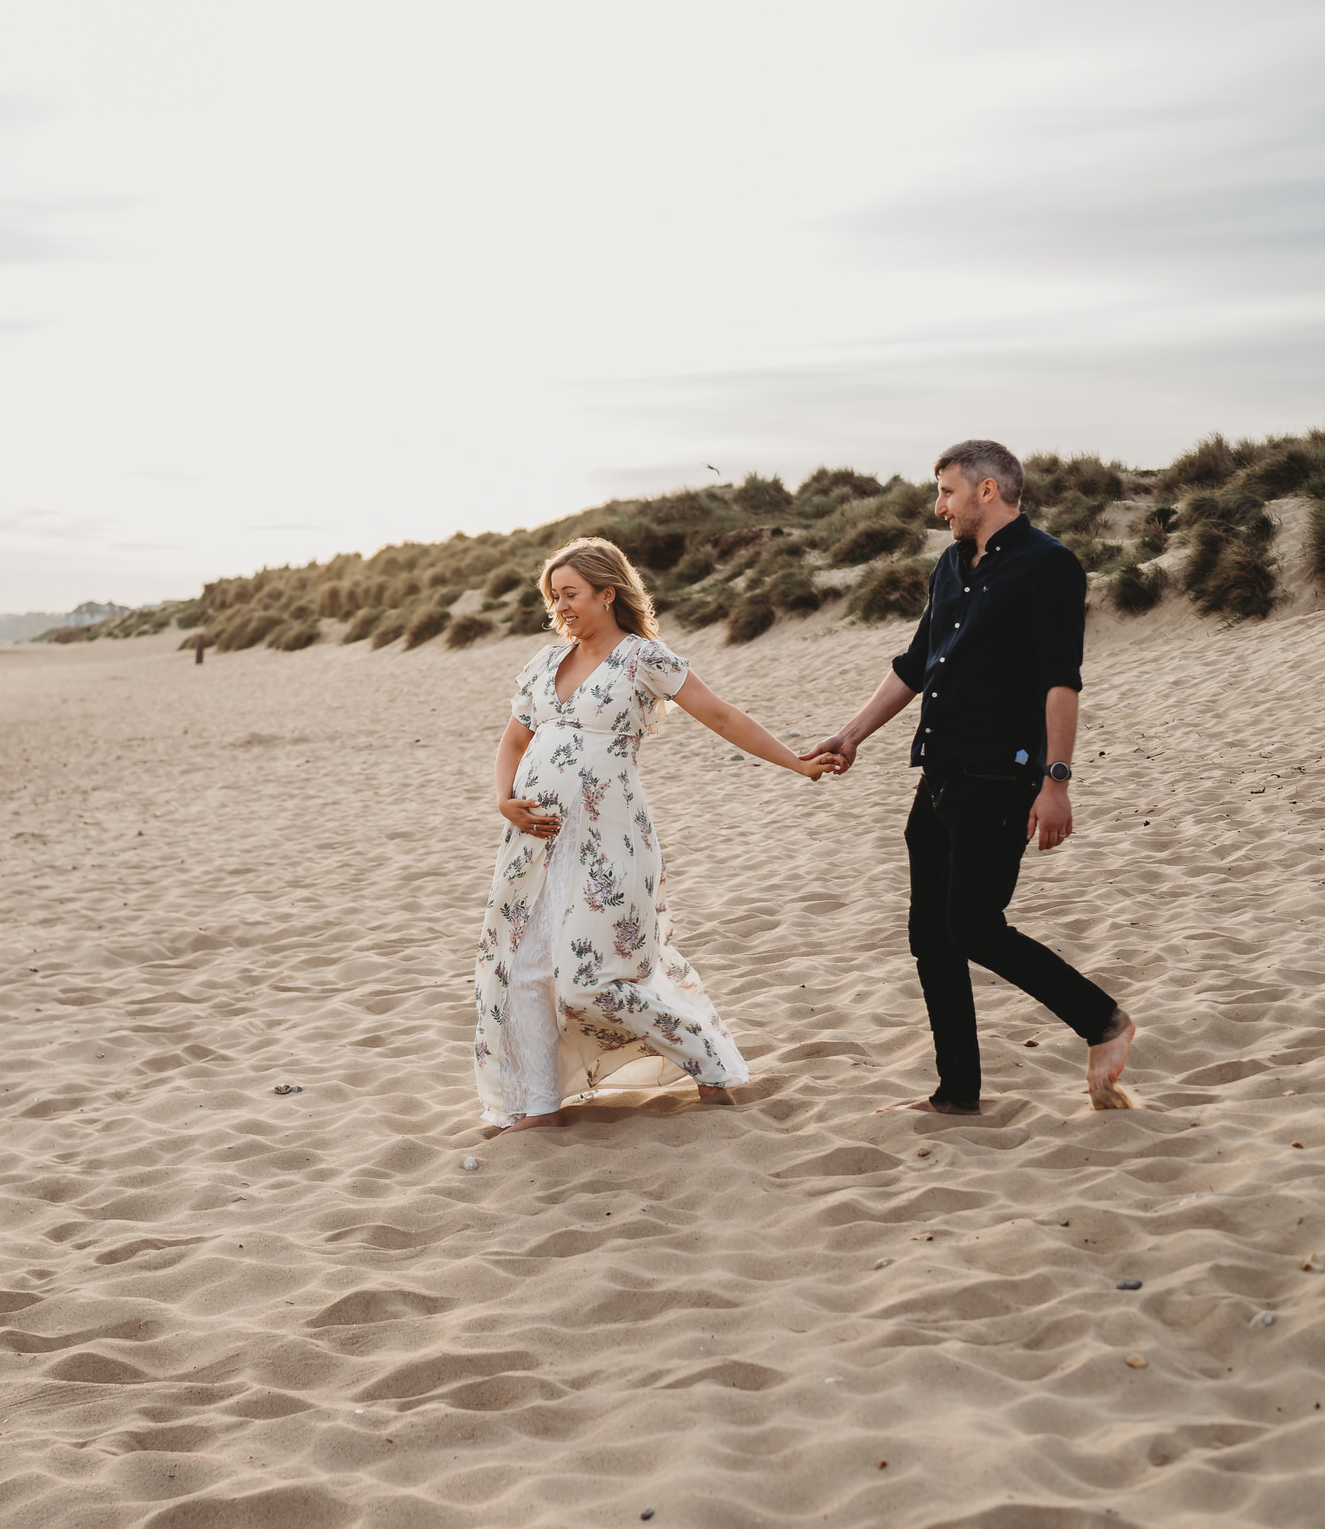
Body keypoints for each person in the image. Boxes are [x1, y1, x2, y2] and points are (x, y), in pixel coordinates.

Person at [805, 440, 1138, 1113]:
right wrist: (851, 733)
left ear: (988, 491)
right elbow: (915, 662)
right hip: (940, 772)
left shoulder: (1049, 566)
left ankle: (1104, 1022)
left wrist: (1057, 781)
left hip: (1003, 774)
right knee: (930, 937)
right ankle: (957, 1090)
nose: (939, 507)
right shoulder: (952, 565)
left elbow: (1060, 681)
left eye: (948, 492)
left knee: (975, 925)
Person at [473, 536, 839, 1135]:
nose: (560, 607)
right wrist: (504, 800)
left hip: (610, 838)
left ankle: (710, 1062)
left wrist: (795, 763)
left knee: (591, 978)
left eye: (571, 594)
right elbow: (514, 740)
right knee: (526, 966)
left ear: (606, 593)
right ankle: (539, 1106)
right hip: (535, 842)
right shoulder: (543, 664)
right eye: (552, 596)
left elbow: (722, 715)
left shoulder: (644, 659)